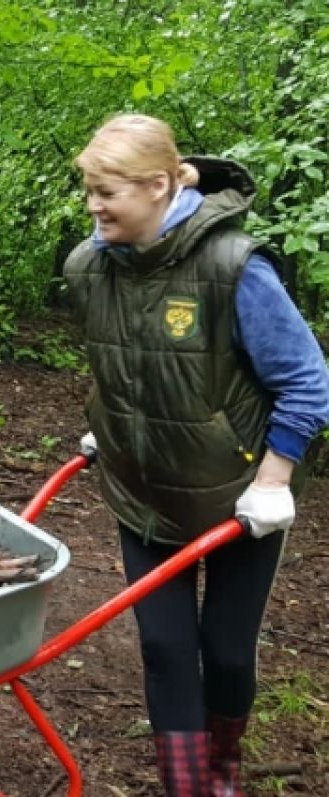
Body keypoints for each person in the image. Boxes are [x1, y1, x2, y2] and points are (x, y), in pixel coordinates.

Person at [64, 114, 329, 795]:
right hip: (144, 489)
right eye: (88, 190)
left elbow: (306, 378)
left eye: (106, 190)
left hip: (237, 495)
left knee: (227, 652)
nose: (93, 205)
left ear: (158, 185)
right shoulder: (88, 267)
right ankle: (188, 787)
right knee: (164, 647)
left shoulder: (234, 266)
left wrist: (275, 474)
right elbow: (116, 360)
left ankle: (224, 769)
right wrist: (111, 421)